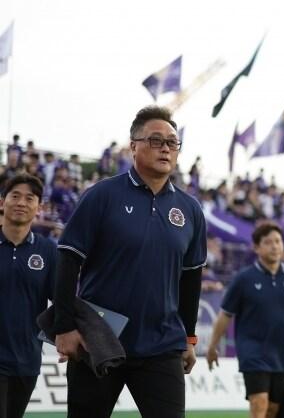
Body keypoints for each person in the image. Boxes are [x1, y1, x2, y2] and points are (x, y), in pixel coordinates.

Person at [54, 106, 207, 418]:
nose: (166, 147)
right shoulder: (101, 195)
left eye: (172, 142)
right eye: (155, 140)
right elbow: (68, 261)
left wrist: (189, 338)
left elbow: (191, 280)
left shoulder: (190, 210)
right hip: (98, 339)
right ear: (133, 146)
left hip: (162, 345)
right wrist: (64, 326)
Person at [206, 222, 284, 418]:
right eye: (268, 242)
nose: (274, 246)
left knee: (273, 410)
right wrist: (212, 346)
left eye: (278, 241)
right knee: (259, 404)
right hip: (253, 353)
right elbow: (225, 314)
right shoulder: (244, 279)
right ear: (257, 247)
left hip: (282, 354)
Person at [0, 173, 57, 418]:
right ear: (2, 202)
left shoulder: (48, 250)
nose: (22, 202)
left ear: (39, 207)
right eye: (15, 196)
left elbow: (60, 301)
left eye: (29, 198)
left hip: (27, 360)